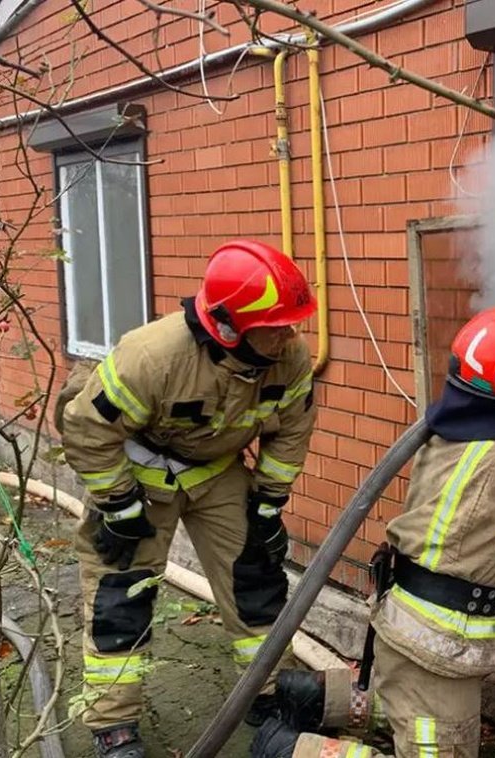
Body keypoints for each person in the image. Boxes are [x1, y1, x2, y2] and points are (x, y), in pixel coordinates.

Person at [249, 305, 495, 758]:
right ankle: (285, 751)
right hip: (436, 644)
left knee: (406, 705)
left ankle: (310, 697)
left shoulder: (451, 431)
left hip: (407, 624)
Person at [55, 239, 320, 758]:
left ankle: (267, 693)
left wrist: (269, 502)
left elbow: (292, 431)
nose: (290, 334)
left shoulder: (288, 358)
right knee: (121, 594)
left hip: (217, 472)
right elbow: (87, 430)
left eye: (292, 323)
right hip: (138, 472)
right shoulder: (152, 357)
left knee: (256, 578)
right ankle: (113, 724)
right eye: (277, 326)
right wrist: (119, 505)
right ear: (228, 328)